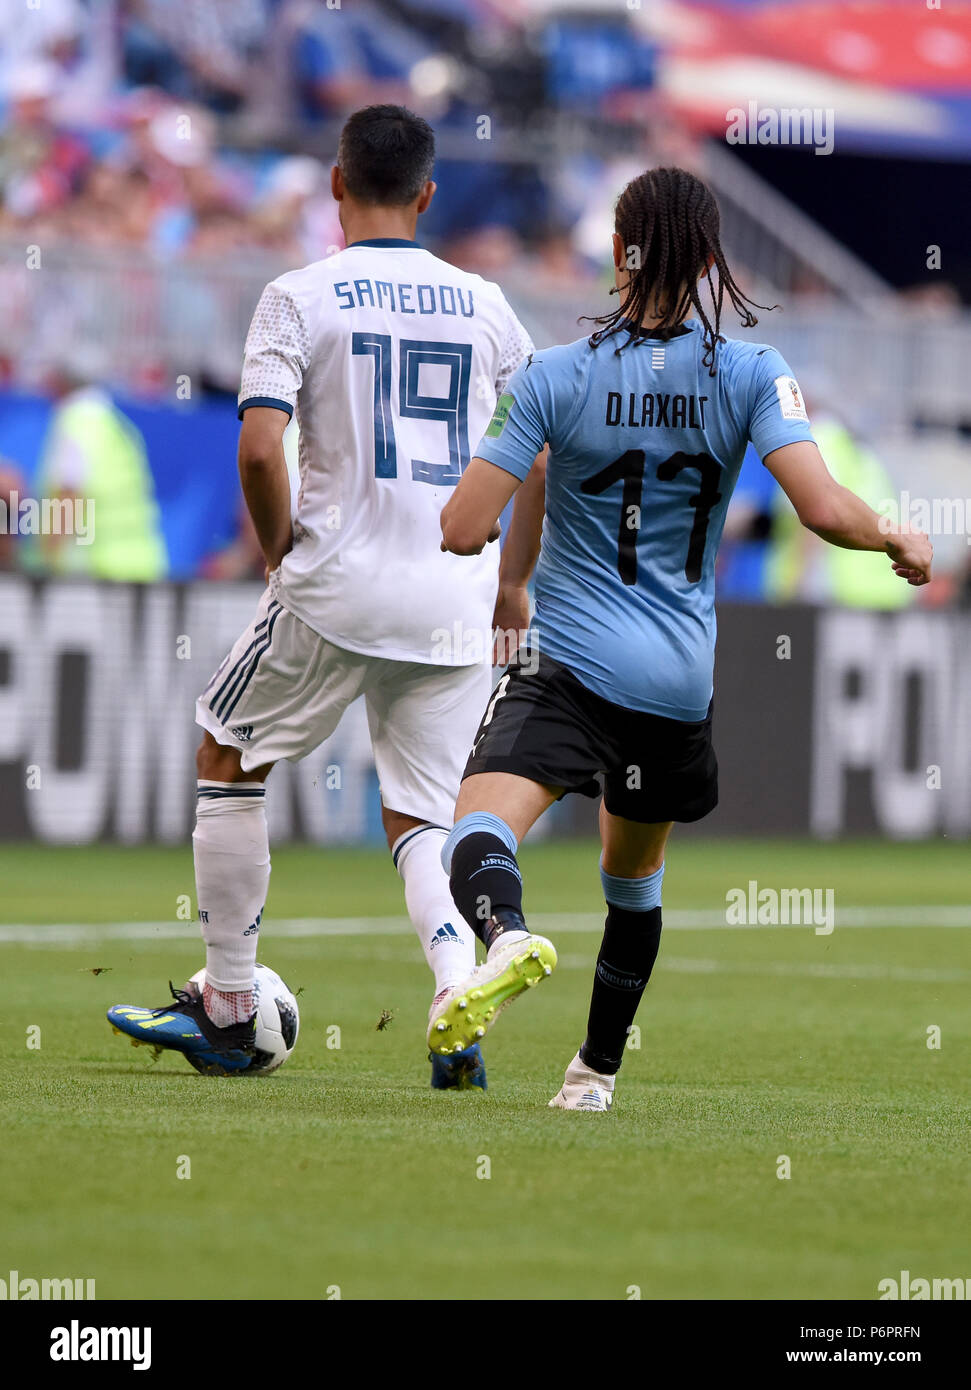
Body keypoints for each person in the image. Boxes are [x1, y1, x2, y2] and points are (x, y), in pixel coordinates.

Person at [435, 166, 933, 1111]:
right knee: (632, 880)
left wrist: (504, 576)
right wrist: (896, 535)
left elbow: (466, 523)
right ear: (711, 261)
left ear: (618, 256)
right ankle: (594, 1075)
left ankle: (504, 936)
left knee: (480, 825)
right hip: (673, 683)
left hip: (570, 661)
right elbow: (822, 508)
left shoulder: (552, 374)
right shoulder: (753, 373)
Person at [107, 105, 545, 1088]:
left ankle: (226, 1001)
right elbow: (538, 446)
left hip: (336, 586)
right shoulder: (484, 304)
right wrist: (512, 580)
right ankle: (453, 993)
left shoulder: (299, 295)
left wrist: (275, 547)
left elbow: (260, 445)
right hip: (453, 599)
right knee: (425, 819)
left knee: (227, 750)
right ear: (428, 196)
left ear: (335, 186)